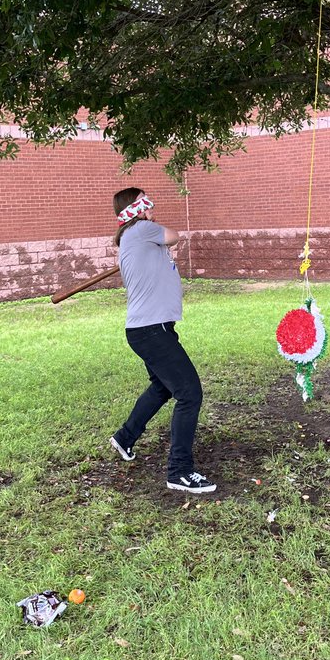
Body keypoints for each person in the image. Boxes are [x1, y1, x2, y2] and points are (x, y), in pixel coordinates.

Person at [109, 187, 216, 494]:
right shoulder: (142, 229)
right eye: (146, 201)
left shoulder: (137, 237)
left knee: (162, 387)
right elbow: (174, 235)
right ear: (135, 208)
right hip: (152, 330)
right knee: (189, 393)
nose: (152, 206)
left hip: (149, 329)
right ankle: (180, 471)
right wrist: (154, 232)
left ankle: (125, 437)